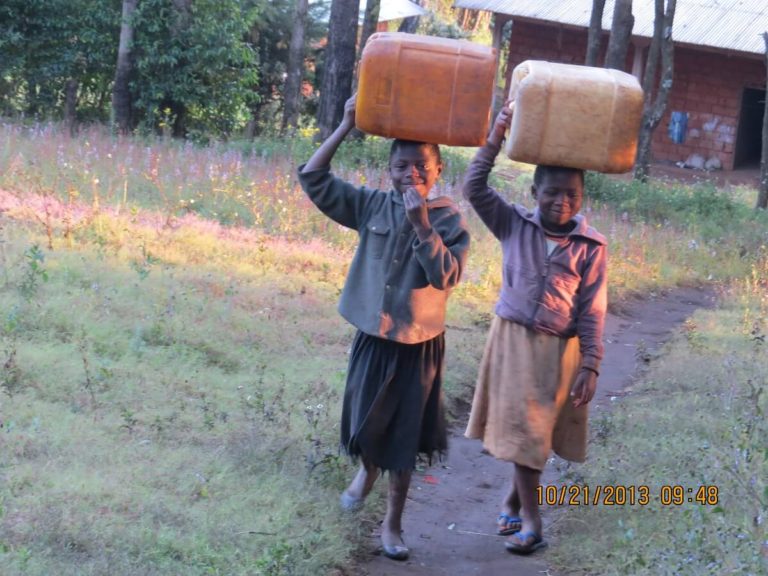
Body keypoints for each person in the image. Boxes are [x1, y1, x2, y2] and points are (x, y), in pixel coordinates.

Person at [297, 95, 470, 561]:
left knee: (403, 436)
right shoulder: (372, 205)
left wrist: (422, 227)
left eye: (420, 167)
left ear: (437, 172)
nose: (410, 174)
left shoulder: (450, 219)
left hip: (418, 345)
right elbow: (313, 178)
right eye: (400, 166)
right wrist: (346, 124)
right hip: (373, 337)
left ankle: (393, 525)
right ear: (388, 170)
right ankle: (365, 473)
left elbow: (447, 277)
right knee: (365, 420)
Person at [463, 103, 607, 555]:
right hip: (512, 340)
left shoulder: (591, 247)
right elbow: (474, 187)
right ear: (534, 191)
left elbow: (592, 309)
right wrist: (496, 136)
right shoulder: (512, 224)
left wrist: (591, 363)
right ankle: (532, 519)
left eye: (571, 194)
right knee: (526, 431)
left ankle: (515, 503)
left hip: (558, 350)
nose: (561, 202)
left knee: (535, 433)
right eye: (551, 193)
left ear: (582, 198)